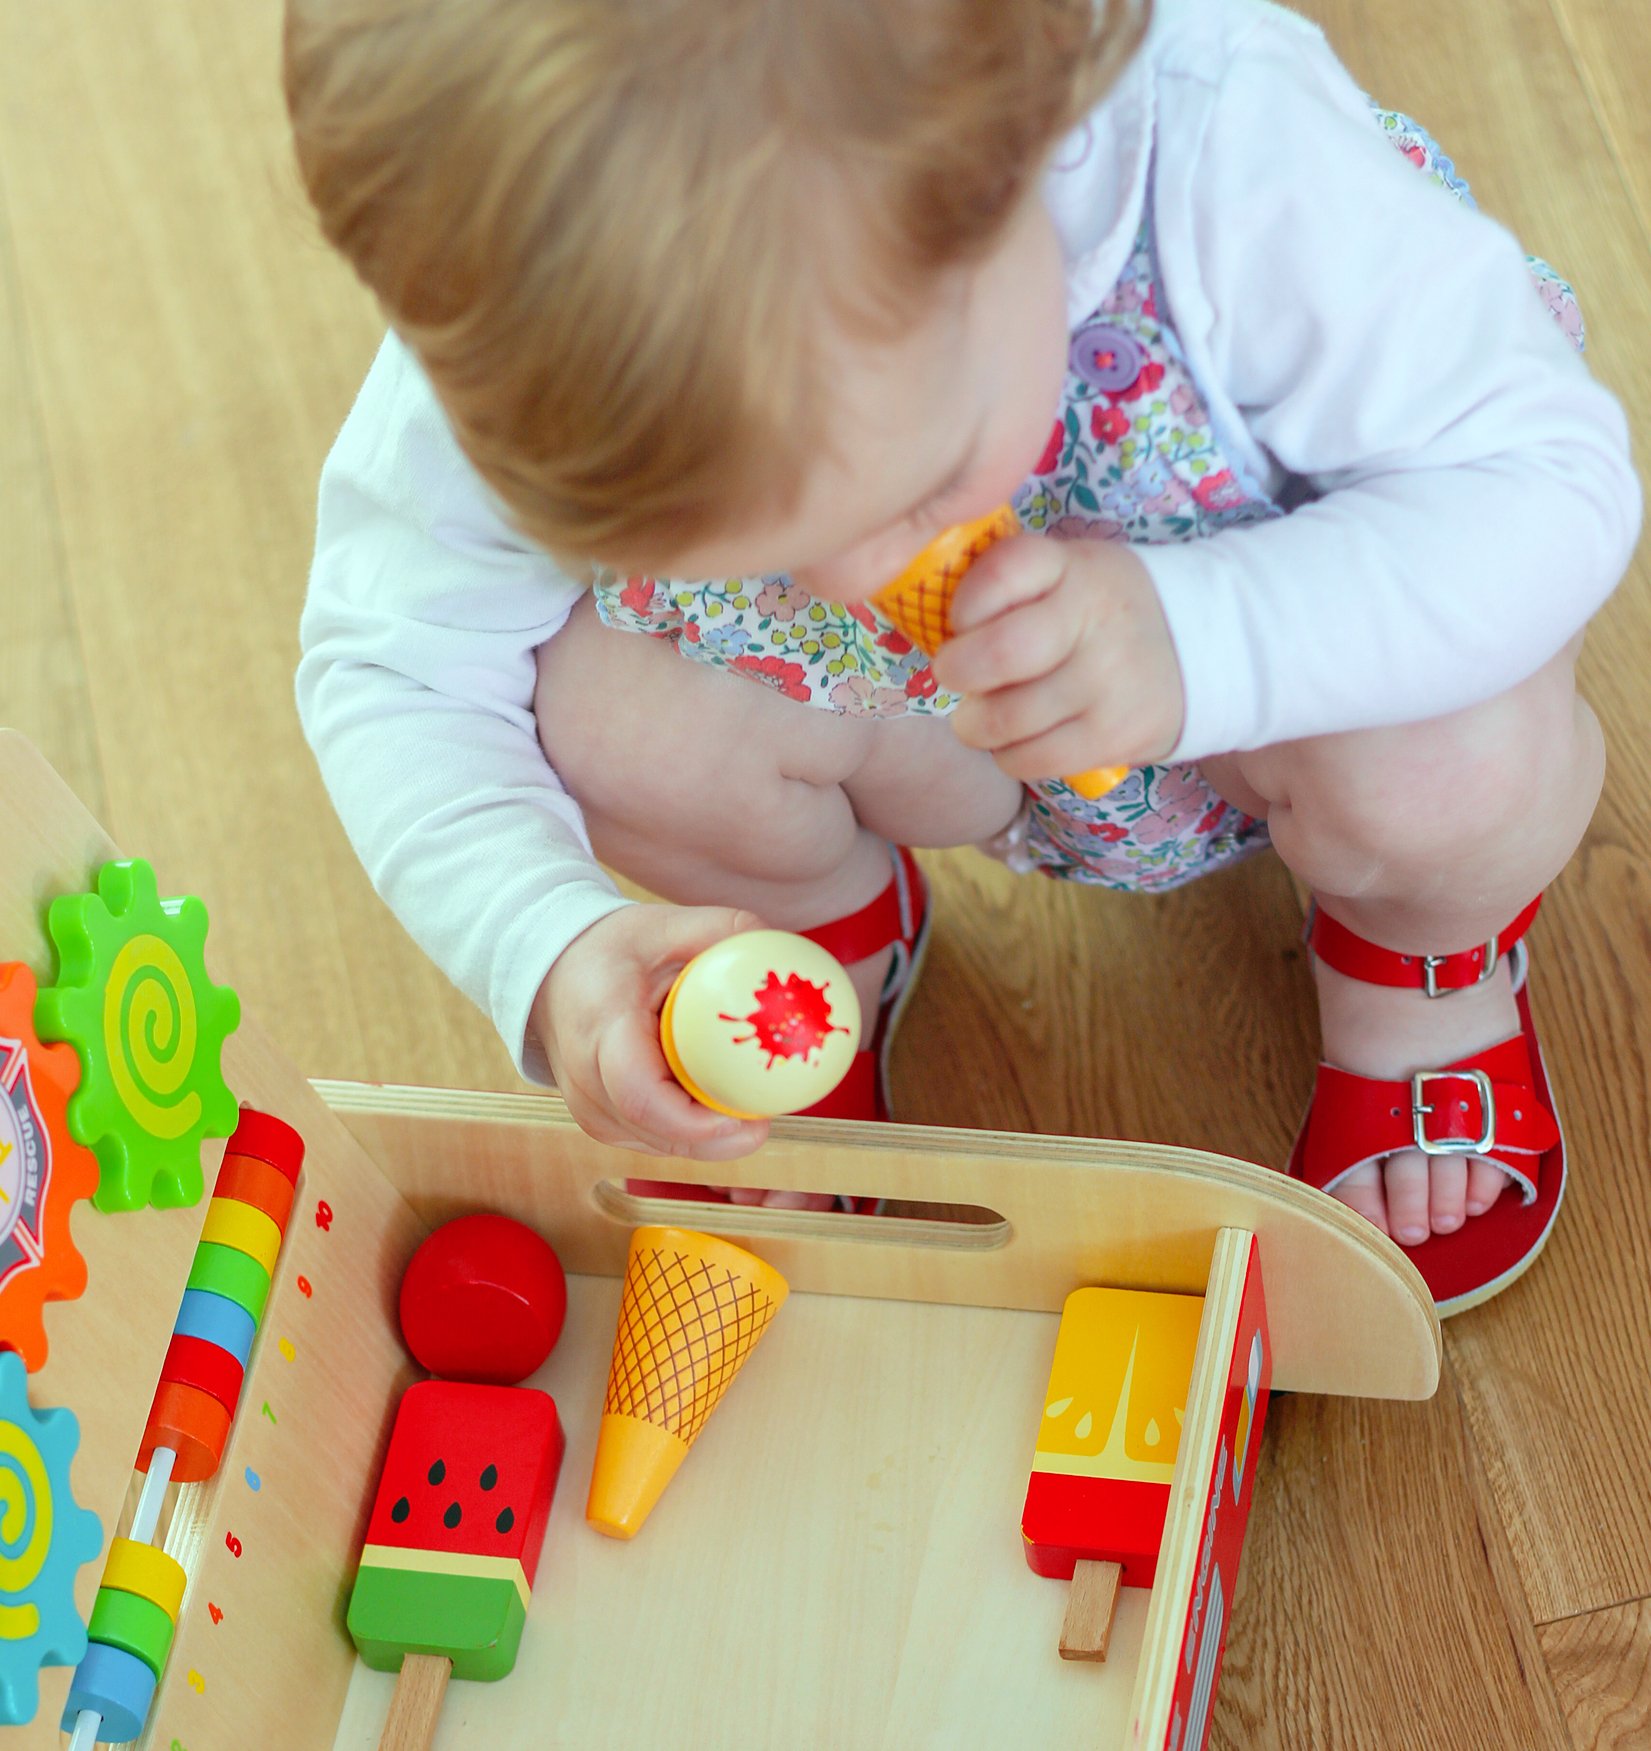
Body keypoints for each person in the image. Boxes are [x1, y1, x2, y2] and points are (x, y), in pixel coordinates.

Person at [284, 0, 1639, 1310]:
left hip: (1289, 715)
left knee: (1460, 765)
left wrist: (1200, 639)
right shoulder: (555, 306)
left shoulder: (1228, 154)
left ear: (1015, 154)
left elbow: (1548, 485)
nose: (857, 584)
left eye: (916, 489)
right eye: (743, 545)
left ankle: (1417, 973)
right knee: (600, 711)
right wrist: (550, 938)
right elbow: (395, 666)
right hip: (921, 747)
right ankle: (817, 932)